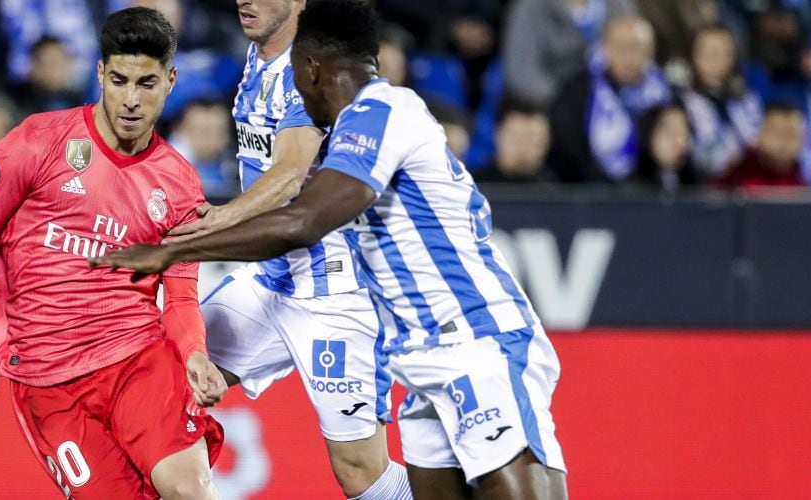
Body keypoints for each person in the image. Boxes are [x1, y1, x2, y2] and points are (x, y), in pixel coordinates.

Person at [91, 1, 567, 498]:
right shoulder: (260, 64)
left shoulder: (378, 111)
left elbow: (298, 197)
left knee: (362, 473)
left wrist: (190, 240)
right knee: (155, 377)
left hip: (400, 312)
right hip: (298, 291)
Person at [0, 8, 225, 498]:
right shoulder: (38, 141)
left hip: (137, 358)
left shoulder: (179, 183)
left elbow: (179, 300)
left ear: (171, 80)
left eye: (147, 83)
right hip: (48, 382)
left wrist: (195, 354)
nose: (131, 100)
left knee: (189, 489)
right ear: (99, 73)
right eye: (119, 80)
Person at [164, 0, 413, 498]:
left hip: (336, 292)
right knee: (166, 379)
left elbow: (288, 174)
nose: (244, 0)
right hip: (271, 280)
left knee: (360, 472)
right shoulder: (257, 60)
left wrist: (217, 222)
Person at [548, 15, 671, 183]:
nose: (629, 57)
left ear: (651, 52)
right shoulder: (578, 92)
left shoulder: (666, 95)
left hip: (652, 191)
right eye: (621, 48)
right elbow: (569, 150)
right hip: (592, 193)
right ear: (605, 49)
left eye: (637, 48)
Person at [503, 0, 637, 109]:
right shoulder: (530, 7)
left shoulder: (619, 5)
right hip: (550, 106)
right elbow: (523, 73)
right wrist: (566, 104)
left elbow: (636, 53)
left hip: (613, 105)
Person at [680, 25, 762, 178]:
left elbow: (756, 140)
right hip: (700, 185)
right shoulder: (681, 102)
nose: (718, 60)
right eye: (710, 53)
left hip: (748, 184)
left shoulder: (747, 99)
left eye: (726, 53)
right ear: (693, 56)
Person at [715, 103, 807, 188]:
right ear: (760, 134)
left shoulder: (804, 184)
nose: (784, 143)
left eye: (791, 135)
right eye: (777, 134)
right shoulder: (734, 179)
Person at [473, 99, 556, 184]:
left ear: (548, 142)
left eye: (533, 140)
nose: (524, 148)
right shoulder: (470, 188)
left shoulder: (558, 192)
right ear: (497, 135)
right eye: (517, 139)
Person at [167, 98, 238, 198]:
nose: (214, 139)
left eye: (220, 130)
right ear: (180, 130)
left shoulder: (235, 165)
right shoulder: (164, 169)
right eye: (204, 132)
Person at [8, 36, 84, 117]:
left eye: (60, 62)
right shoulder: (14, 99)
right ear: (34, 66)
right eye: (50, 63)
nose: (56, 70)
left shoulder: (76, 100)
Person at [633, 100, 699, 192]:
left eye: (684, 133)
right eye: (670, 133)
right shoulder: (630, 188)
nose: (680, 141)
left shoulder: (695, 185)